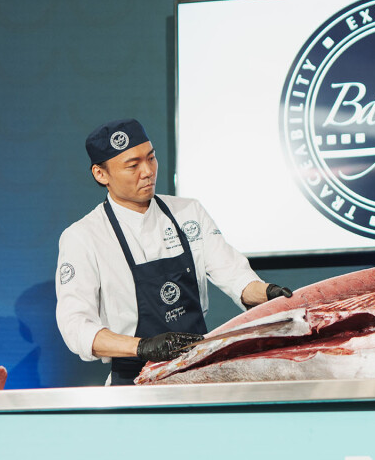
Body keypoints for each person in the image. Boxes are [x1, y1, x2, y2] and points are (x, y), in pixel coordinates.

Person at [56, 119, 293, 385]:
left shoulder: (188, 212)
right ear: (101, 174)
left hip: (200, 373)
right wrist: (143, 347)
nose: (147, 171)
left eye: (151, 158)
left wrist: (269, 294)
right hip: (134, 383)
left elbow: (234, 275)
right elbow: (76, 326)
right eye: (132, 165)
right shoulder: (83, 237)